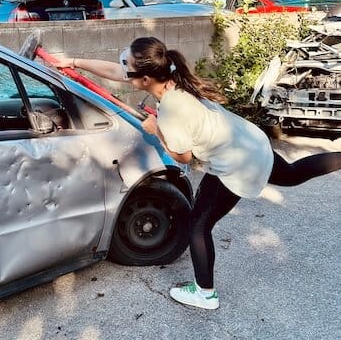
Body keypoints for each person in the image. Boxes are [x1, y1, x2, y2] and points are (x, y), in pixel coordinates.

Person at [54, 37, 341, 310]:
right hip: (247, 142)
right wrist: (73, 62)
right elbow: (118, 71)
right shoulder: (171, 75)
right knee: (290, 174)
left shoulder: (171, 111)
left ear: (144, 80)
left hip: (236, 163)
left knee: (198, 225)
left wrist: (158, 132)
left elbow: (184, 156)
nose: (123, 67)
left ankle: (205, 293)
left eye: (128, 64)